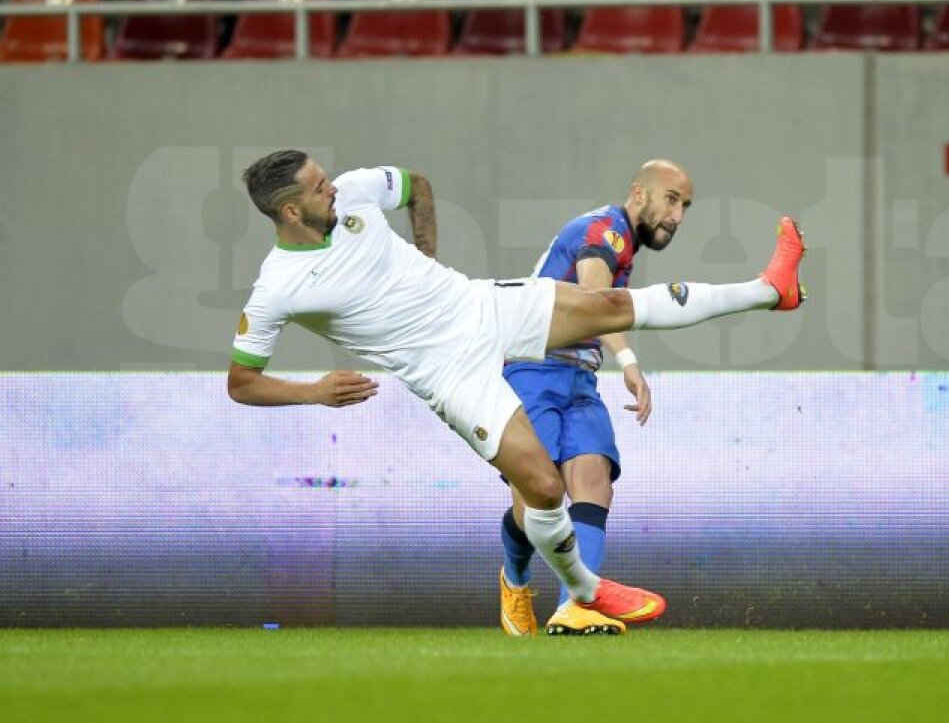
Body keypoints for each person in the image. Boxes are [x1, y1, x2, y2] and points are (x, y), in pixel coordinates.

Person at [228, 150, 806, 626]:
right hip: (446, 373)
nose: (331, 187)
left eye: (325, 178)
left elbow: (417, 186)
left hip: (481, 305)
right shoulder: (279, 287)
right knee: (541, 486)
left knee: (608, 306)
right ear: (290, 209)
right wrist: (316, 391)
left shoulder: (354, 190)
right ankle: (584, 588)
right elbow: (242, 383)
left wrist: (426, 256)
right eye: (317, 186)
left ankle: (768, 288)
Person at [497, 159, 691, 637]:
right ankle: (514, 582)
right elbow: (592, 298)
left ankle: (574, 607)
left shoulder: (624, 244)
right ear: (639, 194)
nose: (678, 215)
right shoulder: (605, 231)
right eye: (671, 199)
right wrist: (627, 360)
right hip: (532, 368)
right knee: (538, 495)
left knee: (594, 481)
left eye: (686, 206)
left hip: (579, 379)